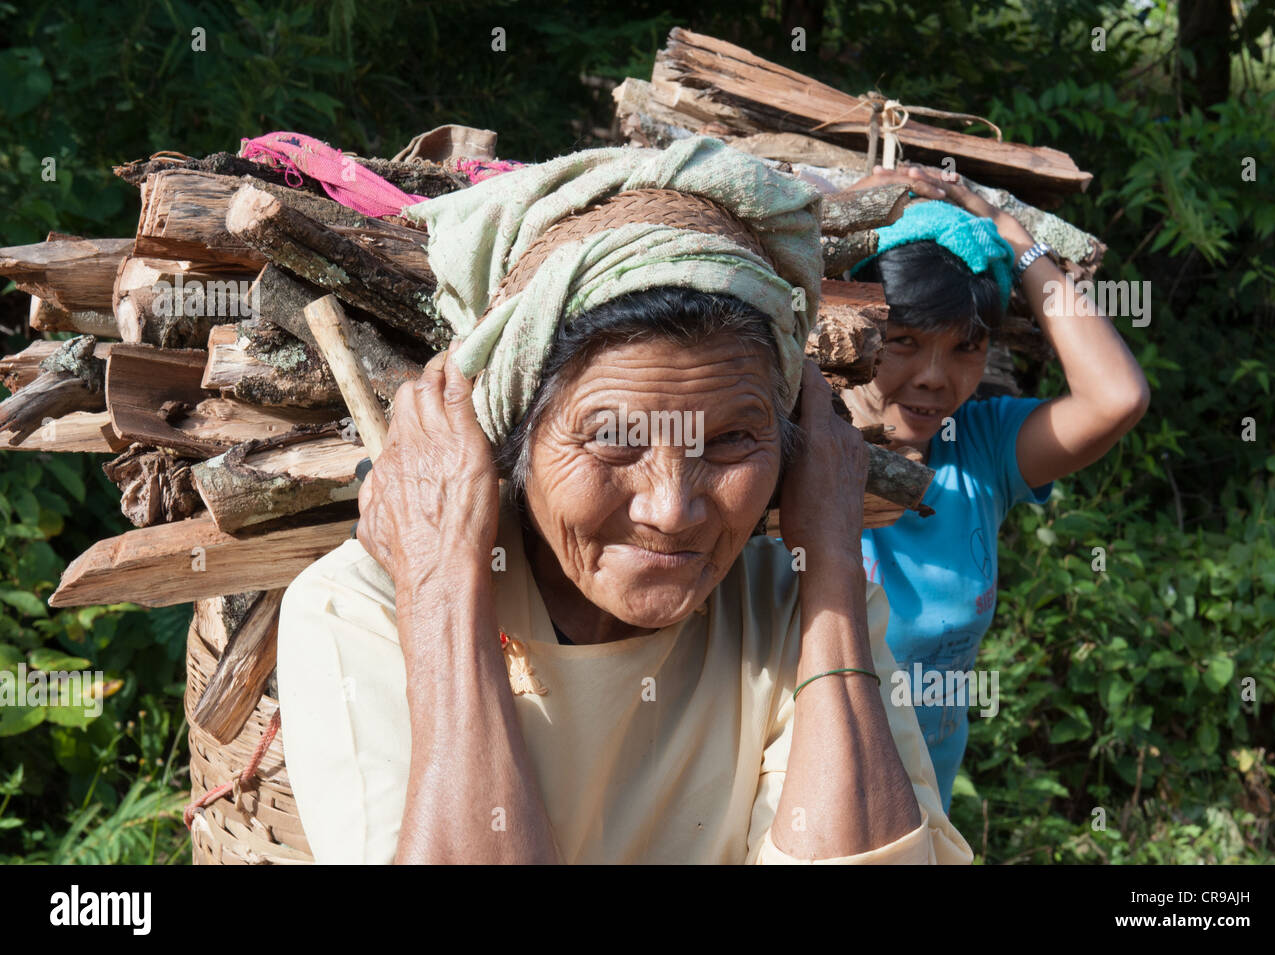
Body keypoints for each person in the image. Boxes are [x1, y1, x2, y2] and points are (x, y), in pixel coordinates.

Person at [274, 138, 973, 864]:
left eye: (731, 440)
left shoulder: (796, 606)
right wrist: (447, 594)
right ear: (514, 434)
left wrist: (829, 554)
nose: (671, 509)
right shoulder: (365, 612)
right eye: (613, 440)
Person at [841, 164, 1150, 811]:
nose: (933, 377)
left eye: (965, 348)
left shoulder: (978, 452)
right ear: (854, 321)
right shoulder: (789, 443)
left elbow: (1117, 396)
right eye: (903, 341)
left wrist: (1016, 240)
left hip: (923, 821)